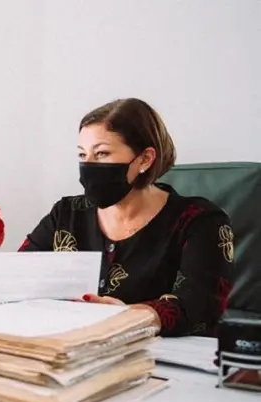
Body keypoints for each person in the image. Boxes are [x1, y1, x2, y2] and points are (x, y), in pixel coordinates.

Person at [19, 98, 234, 337]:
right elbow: (19, 277)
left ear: (145, 159)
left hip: (163, 359)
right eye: (82, 155)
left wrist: (130, 317)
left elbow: (201, 305)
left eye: (101, 153)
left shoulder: (200, 221)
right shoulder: (66, 214)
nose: (88, 166)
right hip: (72, 352)